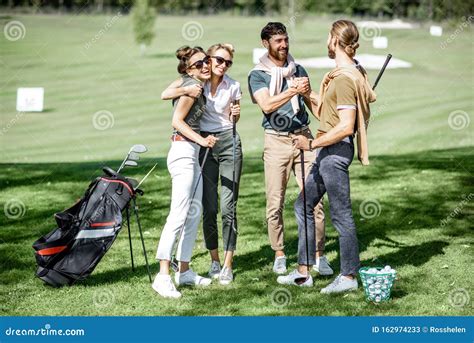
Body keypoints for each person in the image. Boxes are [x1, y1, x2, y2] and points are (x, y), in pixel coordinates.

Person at [281, 20, 376, 292]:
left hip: (334, 152)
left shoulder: (345, 78)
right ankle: (303, 271)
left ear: (335, 40)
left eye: (328, 36)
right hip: (327, 150)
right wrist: (308, 92)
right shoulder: (346, 73)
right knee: (303, 205)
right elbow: (326, 114)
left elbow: (345, 126)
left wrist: (310, 144)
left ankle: (348, 277)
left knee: (341, 214)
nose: (326, 42)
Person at [248, 22, 332, 276]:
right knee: (275, 202)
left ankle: (319, 255)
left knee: (314, 200)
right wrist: (292, 90)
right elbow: (267, 105)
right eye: (278, 41)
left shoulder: (299, 69)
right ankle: (280, 253)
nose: (284, 45)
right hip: (276, 141)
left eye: (285, 40)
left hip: (304, 137)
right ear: (266, 43)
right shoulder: (258, 74)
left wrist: (313, 97)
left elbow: (314, 104)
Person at [161, 44, 242, 285]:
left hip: (216, 144)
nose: (218, 65)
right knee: (197, 210)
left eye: (227, 62)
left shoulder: (228, 85)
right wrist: (202, 140)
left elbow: (230, 117)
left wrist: (235, 114)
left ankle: (209, 267)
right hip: (196, 147)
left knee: (220, 209)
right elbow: (168, 100)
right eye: (215, 60)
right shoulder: (195, 84)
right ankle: (172, 272)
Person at [152, 46, 218, 299]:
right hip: (182, 153)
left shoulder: (192, 84)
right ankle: (163, 276)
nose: (205, 66)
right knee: (178, 215)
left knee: (193, 214)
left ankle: (185, 271)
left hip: (191, 153)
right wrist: (202, 141)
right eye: (199, 63)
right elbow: (176, 122)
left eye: (206, 61)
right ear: (189, 69)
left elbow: (166, 92)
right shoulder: (192, 86)